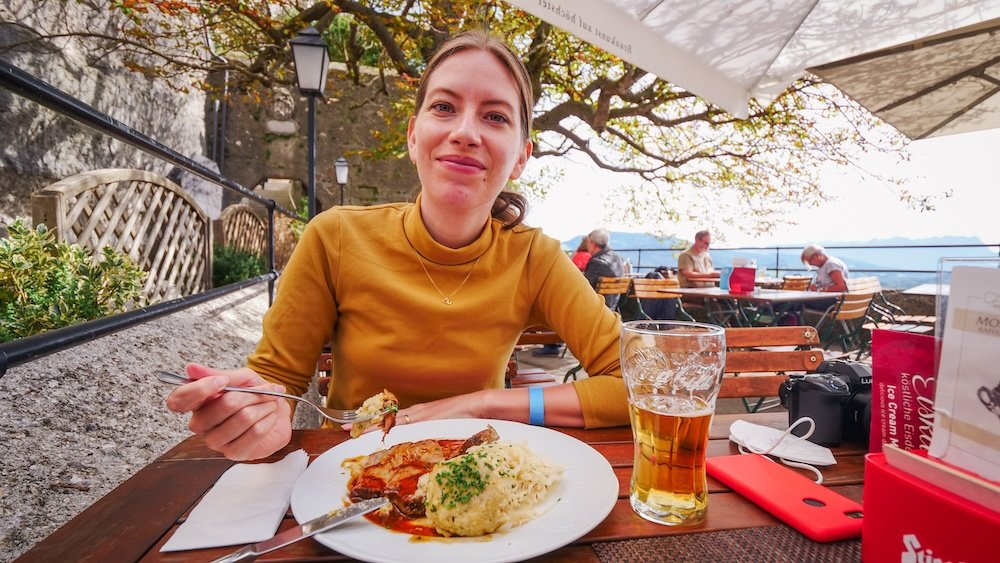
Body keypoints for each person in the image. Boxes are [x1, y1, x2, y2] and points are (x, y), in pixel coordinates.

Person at [165, 30, 627, 461]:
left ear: (521, 157)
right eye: (444, 107)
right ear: (412, 136)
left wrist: (481, 404)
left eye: (495, 116)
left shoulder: (535, 258)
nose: (466, 132)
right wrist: (261, 418)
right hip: (350, 472)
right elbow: (278, 382)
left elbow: (638, 382)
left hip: (474, 470)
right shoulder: (335, 237)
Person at [583, 228, 625, 308]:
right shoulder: (617, 258)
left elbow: (584, 289)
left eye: (587, 242)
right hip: (613, 307)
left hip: (597, 308)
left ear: (593, 244)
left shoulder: (597, 263)